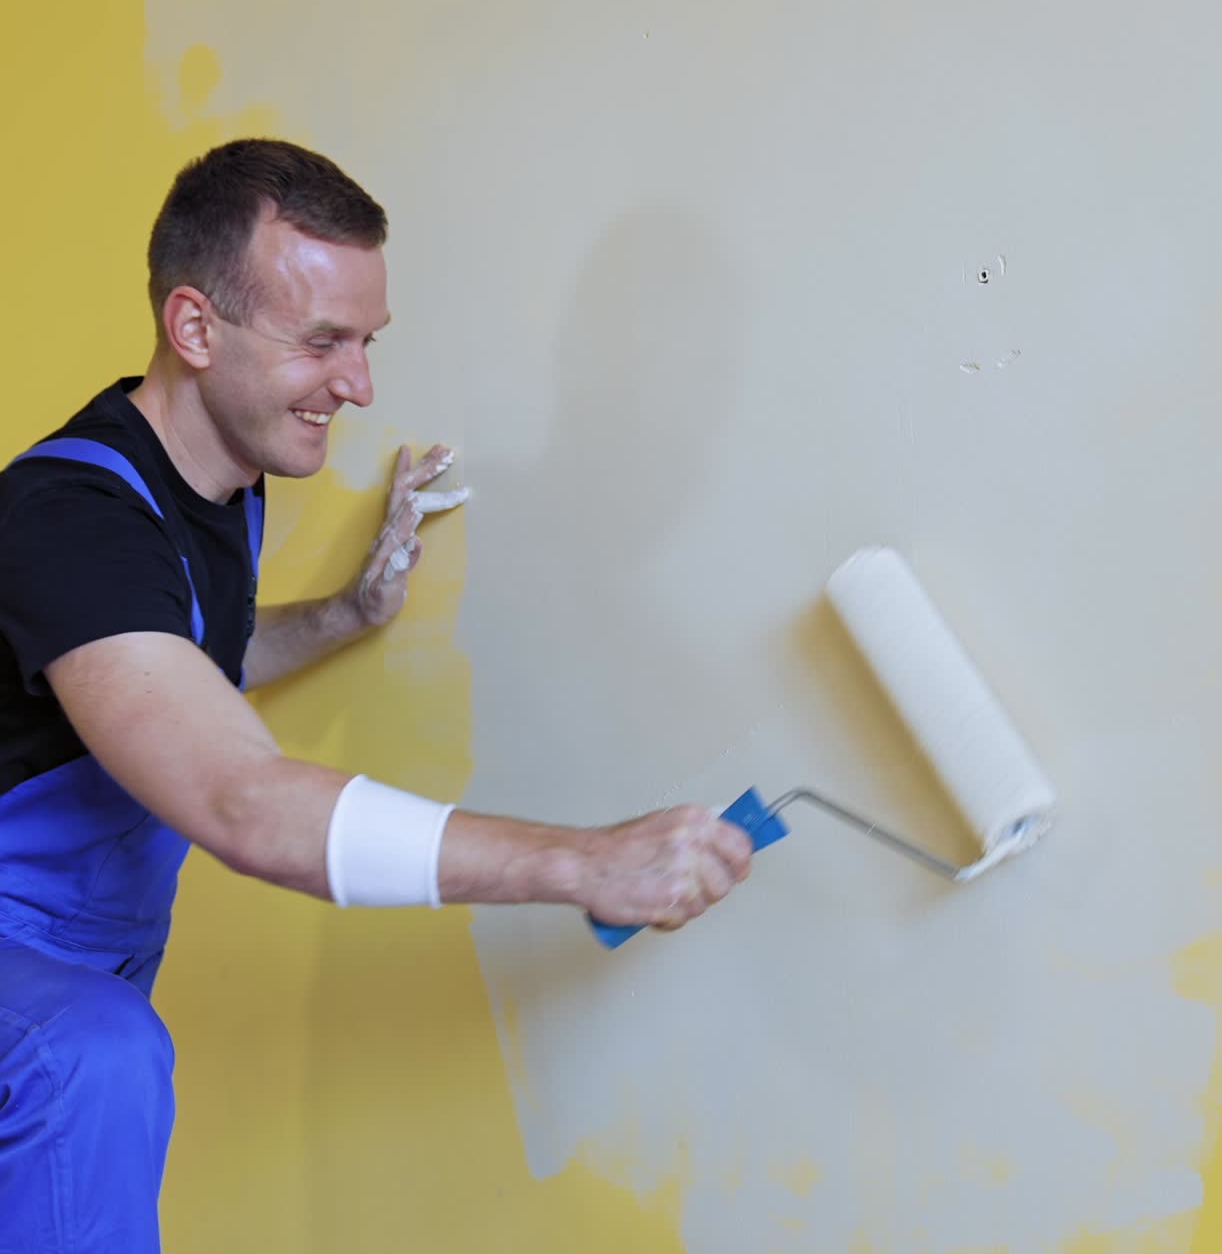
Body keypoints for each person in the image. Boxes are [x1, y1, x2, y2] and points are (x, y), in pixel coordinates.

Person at [0, 138, 752, 1252]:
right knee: (96, 1057)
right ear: (196, 329)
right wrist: (578, 860)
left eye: (366, 342)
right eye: (322, 343)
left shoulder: (218, 486)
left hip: (70, 955)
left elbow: (163, 673)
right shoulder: (70, 516)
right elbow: (242, 800)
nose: (358, 384)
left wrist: (348, 613)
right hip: (44, 983)